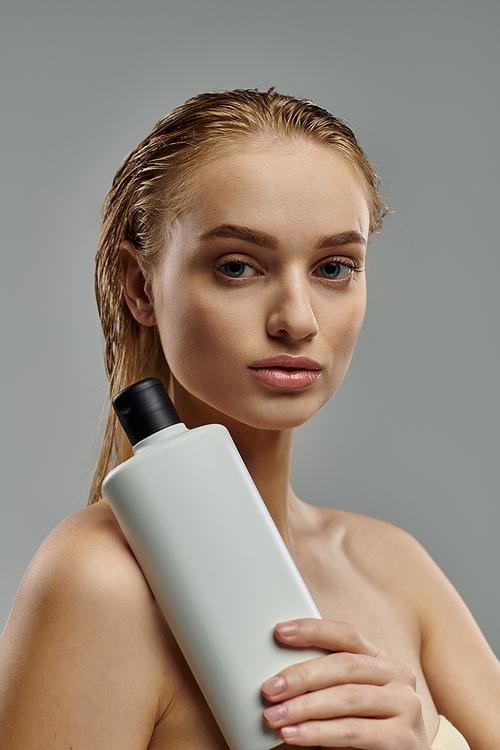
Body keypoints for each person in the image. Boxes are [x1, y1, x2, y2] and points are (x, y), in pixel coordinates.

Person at [0, 88, 497, 750]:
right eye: (237, 266)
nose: (298, 318)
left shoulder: (392, 565)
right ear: (140, 286)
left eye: (333, 267)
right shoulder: (103, 584)